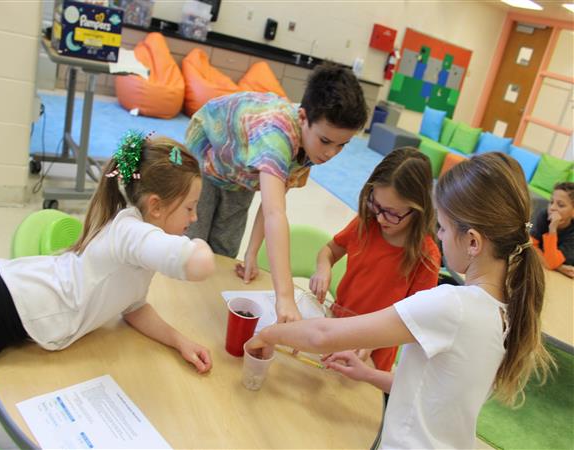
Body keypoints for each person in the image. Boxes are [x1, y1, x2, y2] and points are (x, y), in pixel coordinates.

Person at [246, 152, 553, 449]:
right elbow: (434, 397)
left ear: (473, 241)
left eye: (443, 228)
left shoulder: (452, 306)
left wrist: (268, 333)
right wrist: (368, 374)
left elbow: (322, 334)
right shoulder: (504, 311)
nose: (441, 238)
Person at [0, 131, 216, 382]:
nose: (195, 218)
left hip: (4, 286)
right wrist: (200, 246)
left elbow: (134, 308)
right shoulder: (131, 232)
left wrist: (179, 341)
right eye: (189, 207)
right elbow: (199, 263)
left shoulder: (134, 234)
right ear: (155, 206)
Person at [185, 63, 368, 323]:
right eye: (326, 142)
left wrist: (252, 251)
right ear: (303, 118)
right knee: (192, 244)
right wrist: (285, 296)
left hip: (242, 173)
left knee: (224, 249)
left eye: (342, 145)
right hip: (207, 157)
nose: (330, 153)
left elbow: (275, 200)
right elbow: (274, 214)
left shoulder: (311, 143)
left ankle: (204, 311)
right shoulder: (276, 137)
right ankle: (182, 307)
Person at [309, 147, 440, 372]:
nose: (380, 218)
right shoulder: (366, 223)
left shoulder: (426, 257)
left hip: (373, 357)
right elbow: (329, 251)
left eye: (391, 212)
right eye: (375, 205)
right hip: (336, 330)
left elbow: (414, 321)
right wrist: (323, 268)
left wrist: (372, 341)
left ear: (418, 209)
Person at [531, 181, 574, 278]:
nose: (552, 208)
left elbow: (550, 262)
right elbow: (530, 245)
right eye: (551, 202)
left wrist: (552, 229)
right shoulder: (544, 215)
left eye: (561, 205)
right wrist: (559, 267)